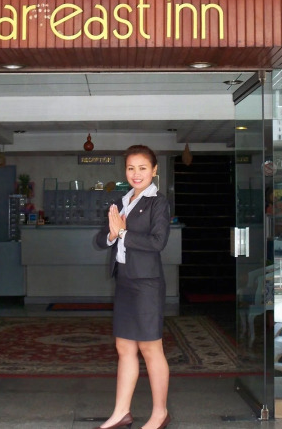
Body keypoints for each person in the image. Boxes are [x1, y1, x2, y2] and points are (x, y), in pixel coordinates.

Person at [94, 145, 172, 429]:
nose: (136, 174)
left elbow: (158, 242)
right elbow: (101, 240)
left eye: (142, 168)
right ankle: (121, 412)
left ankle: (160, 413)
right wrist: (112, 235)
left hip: (147, 283)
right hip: (125, 281)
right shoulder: (122, 200)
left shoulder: (157, 202)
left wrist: (123, 233)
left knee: (151, 349)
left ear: (154, 170)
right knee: (124, 346)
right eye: (130, 168)